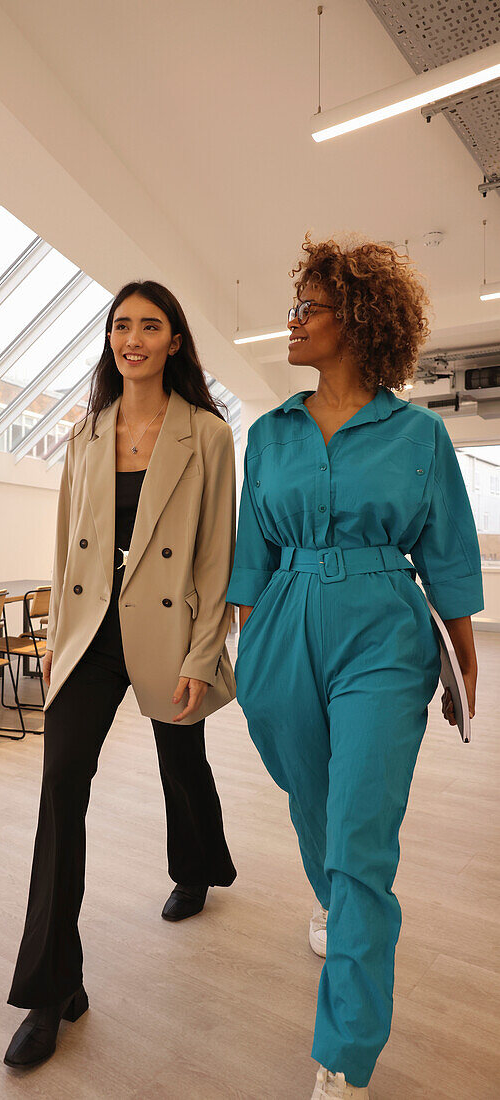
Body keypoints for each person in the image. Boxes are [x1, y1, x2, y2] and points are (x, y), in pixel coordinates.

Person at [226, 237, 483, 1100]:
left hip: (383, 625)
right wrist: (249, 653)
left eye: (308, 306)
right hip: (281, 627)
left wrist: (465, 661)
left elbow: (445, 551)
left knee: (362, 836)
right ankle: (333, 904)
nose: (291, 320)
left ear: (358, 318)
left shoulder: (419, 436)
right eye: (294, 304)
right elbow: (250, 556)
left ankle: (343, 1055)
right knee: (313, 803)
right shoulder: (269, 433)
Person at [5, 280, 238, 1068]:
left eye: (149, 325)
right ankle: (50, 987)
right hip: (88, 633)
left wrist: (204, 657)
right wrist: (53, 635)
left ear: (175, 340)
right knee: (60, 786)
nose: (131, 337)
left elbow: (215, 555)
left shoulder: (206, 435)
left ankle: (197, 865)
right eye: (120, 325)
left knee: (182, 755)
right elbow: (66, 542)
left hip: (169, 626)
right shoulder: (87, 433)